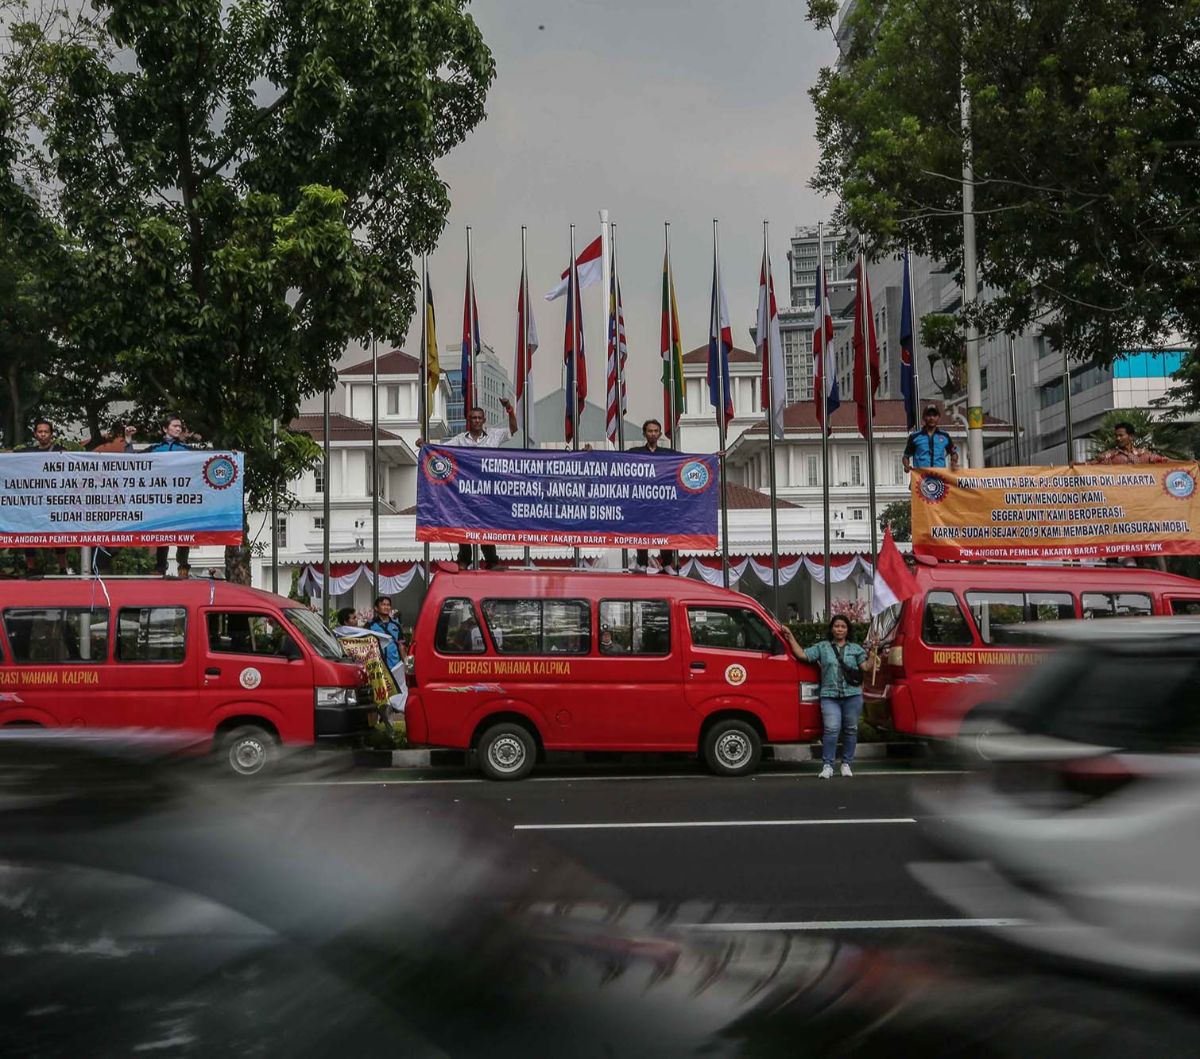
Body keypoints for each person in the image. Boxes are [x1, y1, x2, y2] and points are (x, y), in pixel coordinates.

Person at [423, 399, 518, 570]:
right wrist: (425, 446)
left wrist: (509, 409)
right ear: (469, 420)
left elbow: (513, 429)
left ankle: (491, 559)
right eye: (473, 418)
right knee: (462, 522)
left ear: (484, 420)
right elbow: (440, 450)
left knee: (485, 523)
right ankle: (464, 558)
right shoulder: (460, 439)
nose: (476, 421)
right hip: (466, 491)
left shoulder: (494, 436)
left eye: (479, 418)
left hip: (487, 491)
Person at [782, 615, 877, 779]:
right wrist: (790, 637)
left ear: (847, 630)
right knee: (831, 730)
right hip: (829, 696)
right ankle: (828, 765)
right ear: (831, 628)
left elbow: (866, 667)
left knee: (851, 730)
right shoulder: (823, 647)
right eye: (837, 626)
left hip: (852, 695)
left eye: (843, 626)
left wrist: (874, 655)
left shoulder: (856, 649)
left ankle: (846, 764)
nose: (840, 629)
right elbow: (802, 655)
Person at [628, 418, 677, 574]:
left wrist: (713, 456)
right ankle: (642, 563)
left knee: (665, 530)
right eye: (650, 431)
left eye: (656, 431)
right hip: (642, 502)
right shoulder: (635, 453)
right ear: (644, 433)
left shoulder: (668, 454)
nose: (653, 434)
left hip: (663, 502)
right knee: (643, 530)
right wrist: (591, 452)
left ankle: (667, 563)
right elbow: (614, 460)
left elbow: (690, 461)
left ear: (660, 433)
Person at [22, 420, 69, 577]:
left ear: (51, 434)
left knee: (58, 534)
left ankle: (63, 568)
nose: (43, 434)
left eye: (46, 432)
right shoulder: (27, 453)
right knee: (28, 533)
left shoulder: (61, 451)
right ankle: (31, 568)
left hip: (54, 502)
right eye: (40, 432)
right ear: (35, 434)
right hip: (34, 502)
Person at [148, 416, 193, 577]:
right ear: (165, 429)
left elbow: (207, 461)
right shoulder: (155, 449)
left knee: (183, 532)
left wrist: (229, 456)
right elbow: (131, 461)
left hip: (181, 498)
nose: (179, 429)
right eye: (175, 426)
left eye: (180, 426)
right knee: (163, 531)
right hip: (162, 499)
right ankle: (160, 567)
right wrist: (128, 440)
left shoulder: (186, 450)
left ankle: (183, 567)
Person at [903, 406, 959, 474]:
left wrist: (953, 462)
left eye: (934, 415)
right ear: (924, 417)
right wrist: (906, 466)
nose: (932, 418)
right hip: (921, 478)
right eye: (929, 415)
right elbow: (906, 456)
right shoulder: (915, 436)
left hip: (939, 476)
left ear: (938, 417)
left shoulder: (945, 436)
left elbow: (953, 453)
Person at [1090, 421, 1169, 465]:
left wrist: (1181, 464)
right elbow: (1089, 466)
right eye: (1116, 436)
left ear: (1131, 436)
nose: (1118, 438)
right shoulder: (1109, 456)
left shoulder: (1144, 455)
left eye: (1121, 435)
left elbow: (1165, 461)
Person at [365, 596, 405, 672]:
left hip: (395, 666)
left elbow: (401, 646)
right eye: (383, 604)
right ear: (376, 608)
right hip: (378, 667)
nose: (386, 607)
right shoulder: (370, 625)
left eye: (388, 605)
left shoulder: (396, 625)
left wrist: (405, 664)